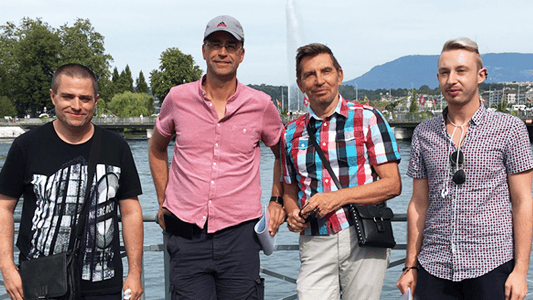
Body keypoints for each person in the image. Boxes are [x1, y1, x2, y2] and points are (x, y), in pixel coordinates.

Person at [148, 15, 285, 299]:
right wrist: (164, 199)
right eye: (215, 44)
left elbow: (284, 154)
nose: (222, 52)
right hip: (186, 233)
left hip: (241, 236)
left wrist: (276, 200)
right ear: (204, 50)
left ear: (241, 55)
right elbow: (156, 148)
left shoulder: (260, 105)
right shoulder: (177, 98)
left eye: (231, 46)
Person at [397, 37, 533, 300]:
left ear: (481, 75)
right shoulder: (424, 133)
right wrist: (410, 266)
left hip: (492, 264)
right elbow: (418, 203)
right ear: (438, 77)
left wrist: (521, 270)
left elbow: (523, 201)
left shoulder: (510, 129)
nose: (452, 80)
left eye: (461, 71)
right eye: (445, 73)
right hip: (433, 266)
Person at [0, 64, 144, 300]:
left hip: (102, 282)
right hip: (41, 281)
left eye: (85, 98)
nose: (77, 106)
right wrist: (7, 268)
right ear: (53, 96)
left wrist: (135, 272)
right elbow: (4, 207)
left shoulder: (115, 146)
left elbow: (130, 211)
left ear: (95, 101)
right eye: (68, 96)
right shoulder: (26, 146)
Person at [281, 43, 402, 300]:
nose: (319, 80)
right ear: (300, 84)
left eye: (325, 71)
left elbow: (392, 185)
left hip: (363, 236)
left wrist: (337, 197)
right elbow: (289, 190)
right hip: (315, 238)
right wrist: (292, 213)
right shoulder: (290, 132)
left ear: (339, 75)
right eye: (309, 75)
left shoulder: (368, 118)